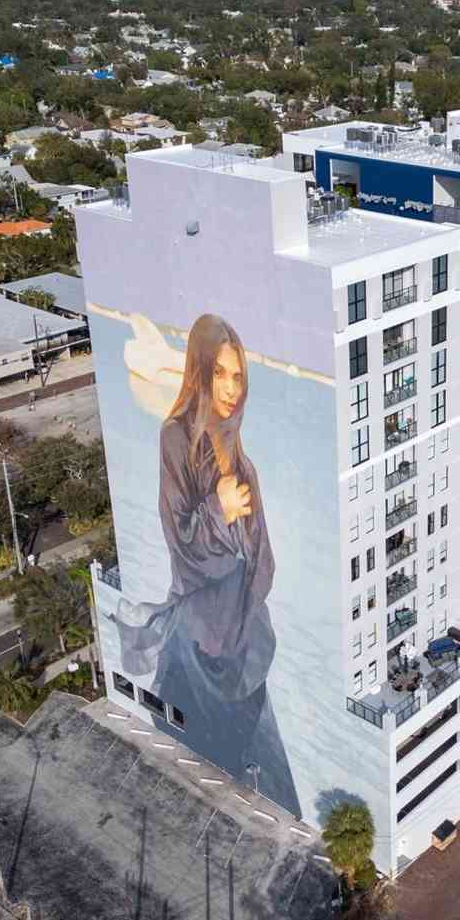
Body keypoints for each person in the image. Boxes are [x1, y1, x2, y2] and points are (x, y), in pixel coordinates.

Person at [107, 314, 299, 814]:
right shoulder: (176, 437)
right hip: (199, 643)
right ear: (200, 370)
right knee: (200, 782)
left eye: (239, 376)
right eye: (220, 373)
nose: (232, 388)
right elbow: (180, 541)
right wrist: (219, 510)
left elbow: (260, 555)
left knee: (271, 793)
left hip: (241, 639)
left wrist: (247, 566)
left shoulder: (237, 450)